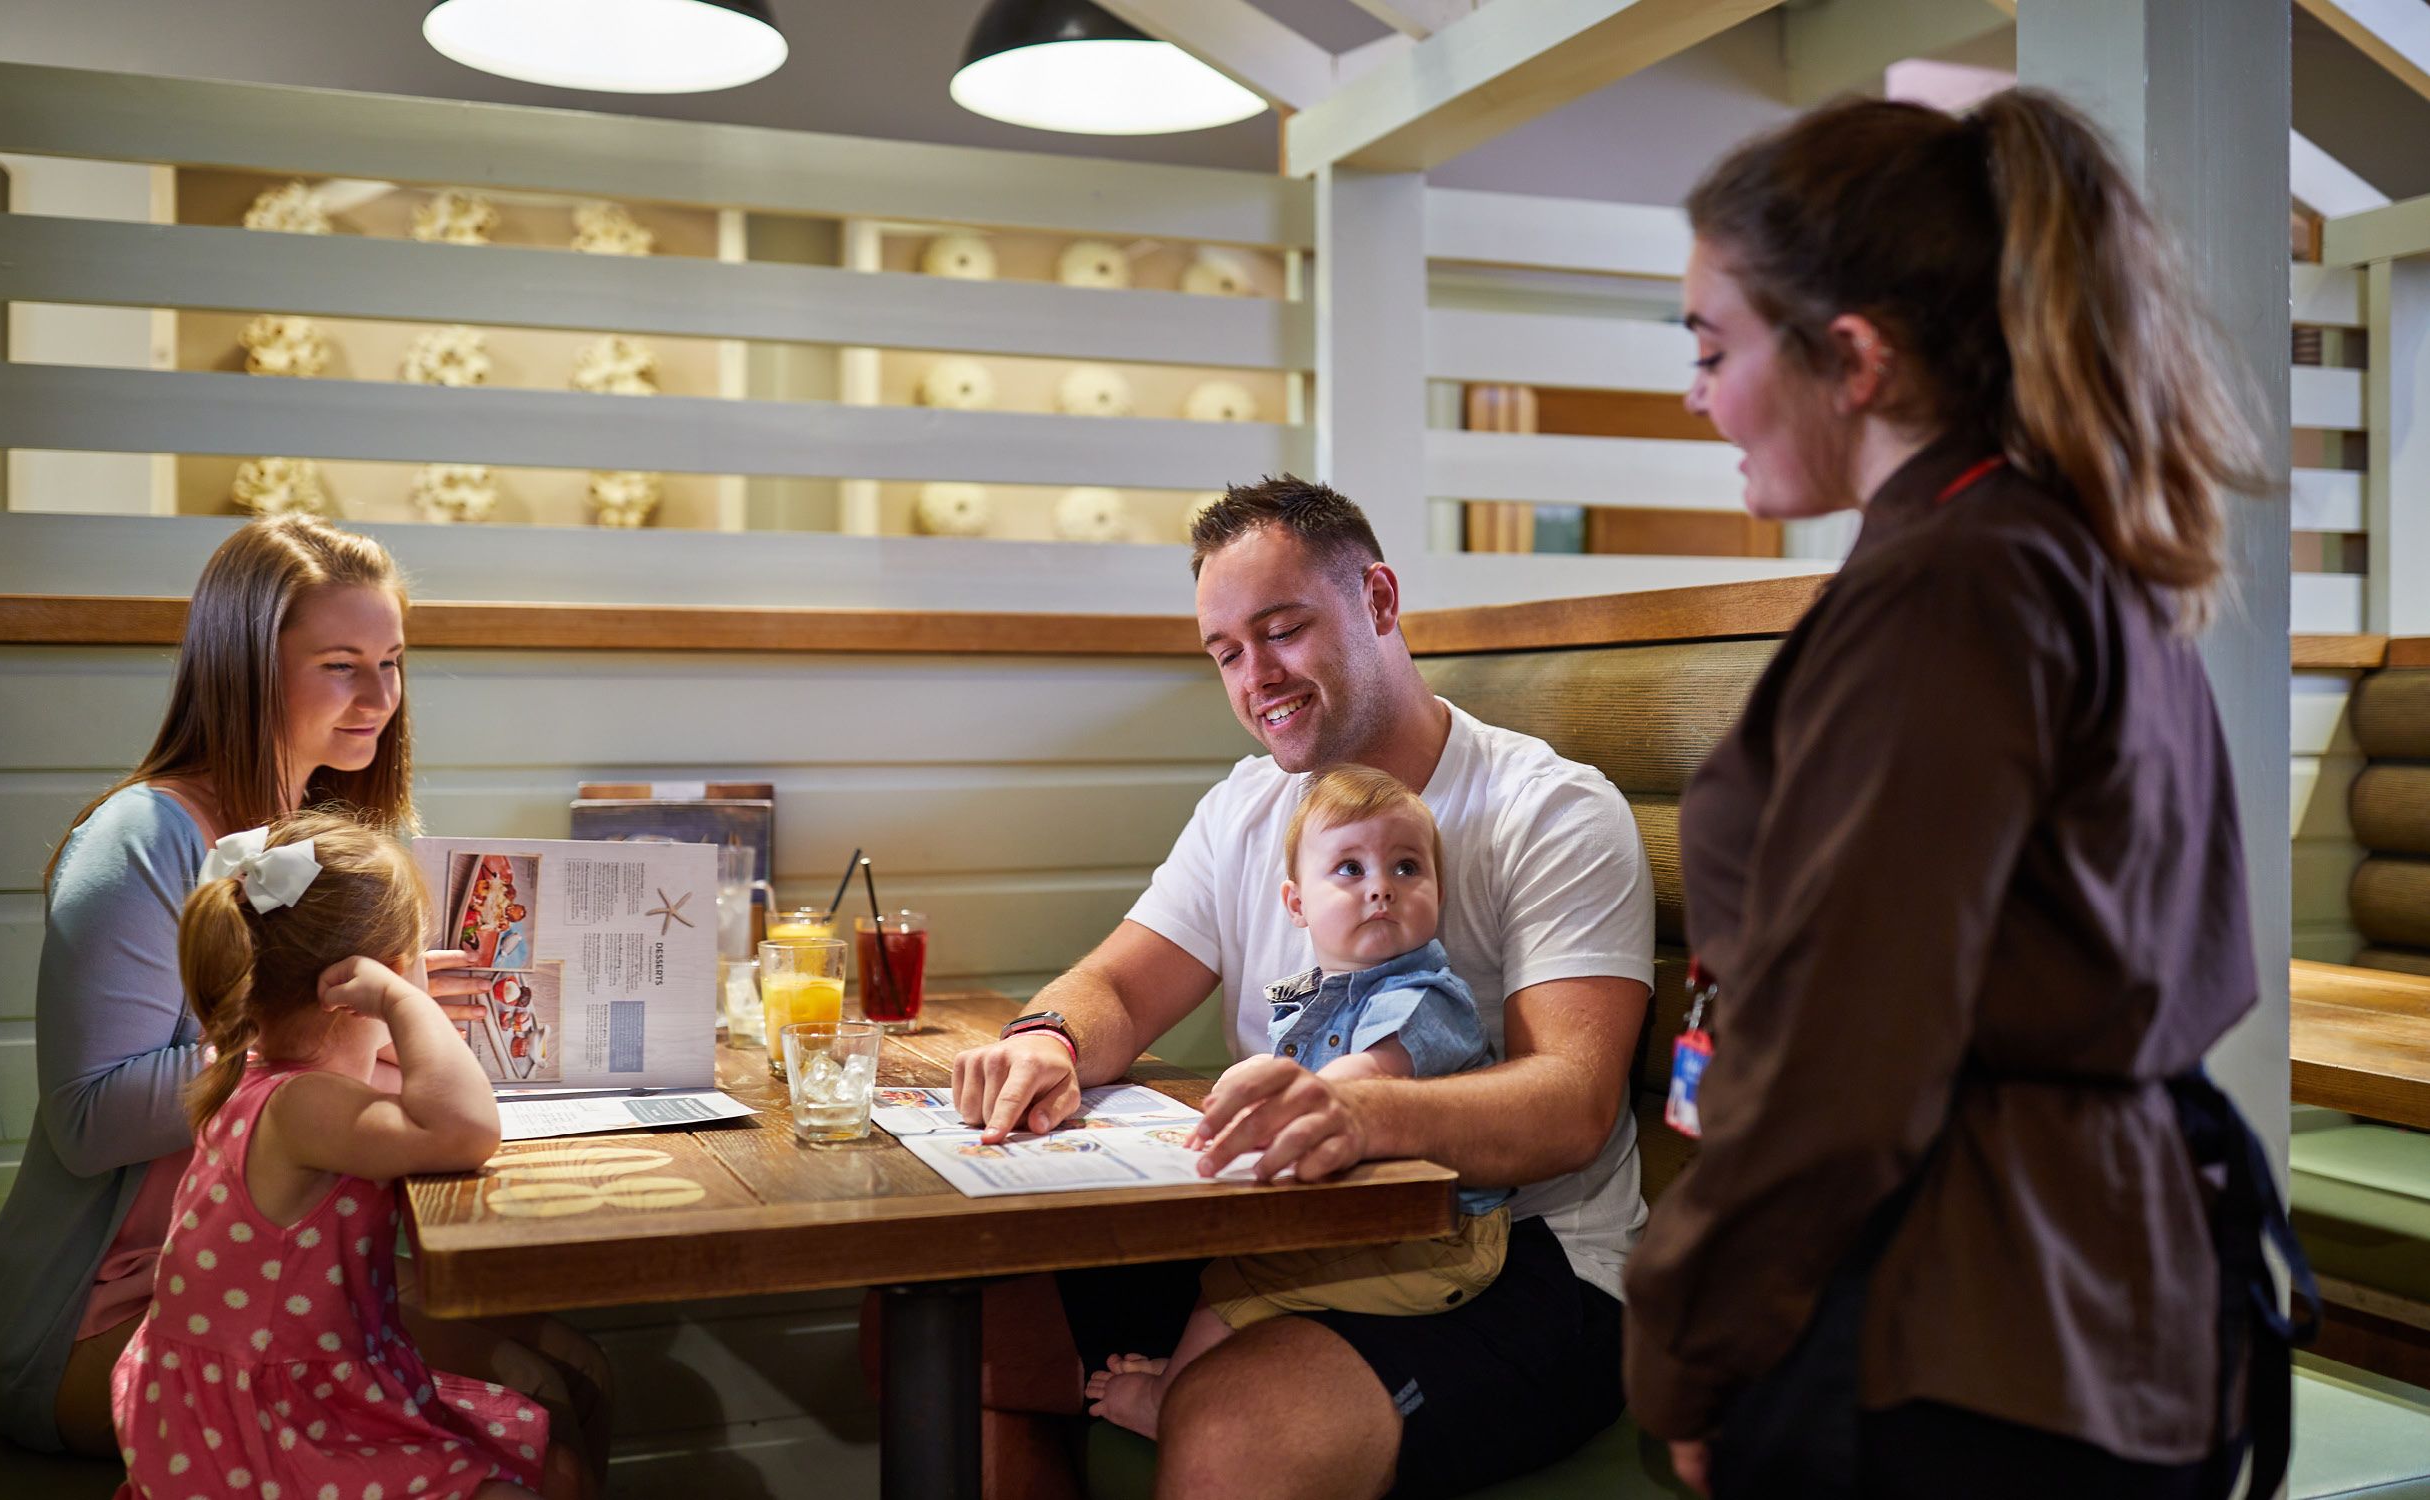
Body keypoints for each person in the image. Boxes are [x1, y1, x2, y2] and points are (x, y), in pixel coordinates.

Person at [1620, 91, 2307, 1500]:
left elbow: (1847, 1046)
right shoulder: (2050, 548)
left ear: (1854, 357)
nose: (1697, 394)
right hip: (2087, 1296)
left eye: (1712, 346)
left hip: (1966, 1321)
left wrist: (1687, 1334)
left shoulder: (1953, 581)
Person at [943, 477, 1656, 1498]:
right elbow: (1117, 984)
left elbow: (1574, 1104)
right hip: (1285, 1232)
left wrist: (1362, 1111)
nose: (1255, 678)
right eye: (1226, 653)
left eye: (1280, 631)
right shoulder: (1246, 805)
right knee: (947, 1326)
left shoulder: (1548, 812)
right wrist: (1048, 1037)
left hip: (1523, 1260)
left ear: (1377, 601)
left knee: (1236, 1433)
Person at [0, 516, 610, 1467]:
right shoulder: (143, 837)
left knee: (574, 1364)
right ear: (243, 665)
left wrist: (401, 1016)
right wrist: (333, 1041)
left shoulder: (329, 831)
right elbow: (89, 1118)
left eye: (392, 662)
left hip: (266, 1289)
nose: (380, 698)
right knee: (545, 1389)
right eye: (341, 665)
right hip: (114, 1321)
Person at [113, 809, 575, 1499]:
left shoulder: (253, 1066)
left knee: (538, 1443)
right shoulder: (306, 1109)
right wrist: (401, 1002)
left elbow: (392, 1083)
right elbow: (467, 1128)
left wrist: (388, 1010)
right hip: (271, 1422)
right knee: (531, 1469)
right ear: (366, 983)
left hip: (258, 1387)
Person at [1084, 765, 1513, 1439]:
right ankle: (1192, 1380)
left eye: (1406, 868)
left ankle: (1171, 1403)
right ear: (1296, 904)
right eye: (1349, 868)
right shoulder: (1311, 993)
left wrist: (1268, 1094)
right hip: (1368, 1218)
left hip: (1446, 1239)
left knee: (1239, 1281)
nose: (1380, 887)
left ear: (1438, 888)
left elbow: (1364, 1079)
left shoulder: (1425, 997)